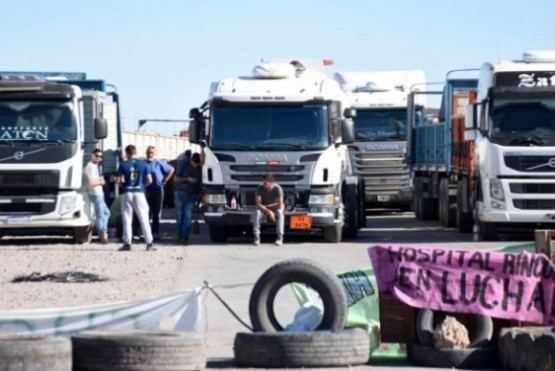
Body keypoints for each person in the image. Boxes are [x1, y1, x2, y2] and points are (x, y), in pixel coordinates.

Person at [116, 144, 156, 251]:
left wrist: (124, 186)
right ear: (135, 152)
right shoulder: (144, 164)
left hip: (127, 192)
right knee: (144, 218)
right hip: (139, 192)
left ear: (127, 153)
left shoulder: (123, 165)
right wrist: (143, 186)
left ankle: (127, 243)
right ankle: (149, 243)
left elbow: (118, 181)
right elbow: (150, 180)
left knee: (127, 218)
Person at [174, 144, 205, 244]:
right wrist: (187, 179)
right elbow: (176, 179)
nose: (195, 167)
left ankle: (184, 238)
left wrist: (202, 148)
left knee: (187, 217)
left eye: (197, 165)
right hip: (181, 194)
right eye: (194, 164)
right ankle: (179, 236)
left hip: (192, 196)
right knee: (180, 217)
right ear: (191, 161)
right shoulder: (183, 164)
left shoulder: (200, 167)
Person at [145, 146, 175, 241]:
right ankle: (147, 233)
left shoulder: (158, 163)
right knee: (146, 213)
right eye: (148, 152)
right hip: (146, 191)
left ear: (155, 154)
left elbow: (171, 169)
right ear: (146, 153)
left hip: (158, 190)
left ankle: (155, 233)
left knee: (156, 214)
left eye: (152, 153)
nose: (150, 154)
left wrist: (165, 180)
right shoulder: (144, 164)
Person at [84, 148, 110, 244]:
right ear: (92, 155)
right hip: (96, 193)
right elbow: (90, 182)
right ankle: (102, 232)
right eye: (97, 156)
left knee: (106, 213)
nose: (99, 158)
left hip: (98, 193)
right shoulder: (91, 166)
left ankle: (103, 230)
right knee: (100, 214)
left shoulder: (94, 166)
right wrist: (101, 181)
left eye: (100, 156)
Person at [253, 174, 284, 246]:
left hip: (275, 206)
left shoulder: (278, 189)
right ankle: (256, 236)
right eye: (263, 182)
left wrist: (271, 210)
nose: (263, 185)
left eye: (265, 183)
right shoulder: (259, 188)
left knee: (279, 213)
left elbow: (279, 205)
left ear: (271, 183)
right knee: (257, 212)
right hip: (264, 206)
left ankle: (280, 237)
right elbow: (258, 204)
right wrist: (269, 212)